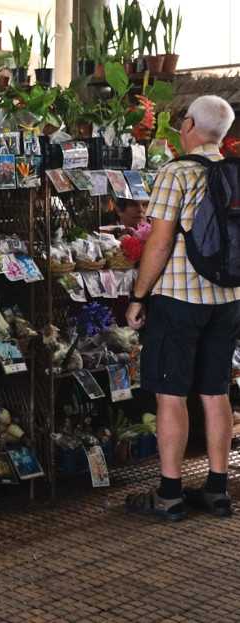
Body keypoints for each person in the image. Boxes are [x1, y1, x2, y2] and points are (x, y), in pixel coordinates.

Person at [125, 95, 240, 521]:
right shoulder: (235, 172)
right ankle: (217, 490)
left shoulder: (178, 172)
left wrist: (139, 296)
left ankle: (170, 494)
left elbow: (158, 242)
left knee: (170, 395)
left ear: (189, 124)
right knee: (216, 392)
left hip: (179, 299)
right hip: (228, 299)